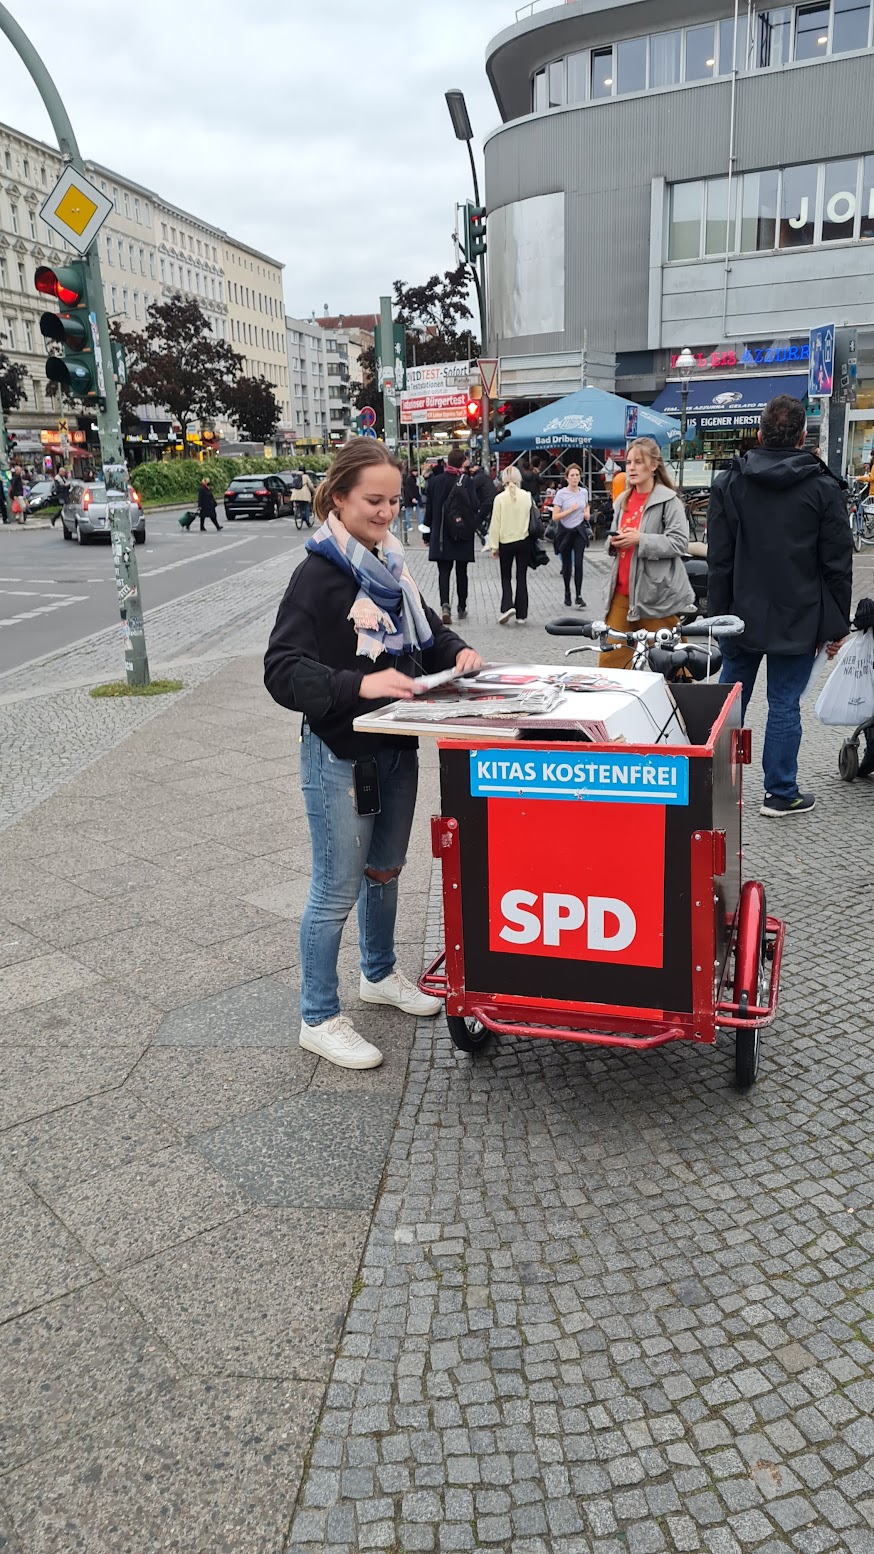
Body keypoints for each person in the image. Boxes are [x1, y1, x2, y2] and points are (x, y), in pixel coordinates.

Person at [264, 439, 483, 1070]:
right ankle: (318, 1016)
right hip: (339, 753)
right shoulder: (318, 573)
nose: (387, 512)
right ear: (339, 498)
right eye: (373, 501)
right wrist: (359, 684)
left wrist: (458, 653)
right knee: (335, 890)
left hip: (396, 747)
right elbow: (282, 672)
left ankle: (379, 974)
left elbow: (429, 633)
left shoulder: (390, 561)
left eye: (394, 499)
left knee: (386, 871)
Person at [708, 394, 853, 817]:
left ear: (759, 434)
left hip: (739, 614)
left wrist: (716, 617)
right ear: (803, 437)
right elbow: (837, 564)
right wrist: (837, 626)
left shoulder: (729, 482)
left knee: (726, 704)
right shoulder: (823, 488)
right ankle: (780, 792)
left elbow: (719, 558)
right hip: (799, 613)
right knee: (785, 704)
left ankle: (708, 785)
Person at [600, 437, 694, 670]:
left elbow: (679, 543)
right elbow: (612, 543)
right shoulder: (622, 500)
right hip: (621, 593)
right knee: (610, 660)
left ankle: (687, 702)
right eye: (629, 462)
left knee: (674, 662)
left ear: (653, 466)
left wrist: (640, 539)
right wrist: (614, 542)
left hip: (655, 593)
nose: (631, 468)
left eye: (638, 462)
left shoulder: (668, 500)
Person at [426, 445, 477, 624]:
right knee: (462, 572)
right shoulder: (468, 482)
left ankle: (445, 605)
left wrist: (426, 533)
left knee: (444, 572)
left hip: (441, 535)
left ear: (447, 462)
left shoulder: (435, 482)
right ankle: (462, 607)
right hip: (461, 533)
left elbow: (429, 510)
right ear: (462, 463)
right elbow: (475, 506)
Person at [487, 465, 532, 626]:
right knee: (522, 577)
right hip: (524, 541)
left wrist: (493, 546)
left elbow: (495, 524)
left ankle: (507, 606)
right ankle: (522, 613)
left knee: (506, 576)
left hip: (505, 542)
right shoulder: (527, 496)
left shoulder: (499, 499)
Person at [551, 464, 591, 609]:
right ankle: (567, 592)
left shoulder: (583, 492)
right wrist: (569, 510)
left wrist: (586, 513)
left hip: (579, 530)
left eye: (577, 475)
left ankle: (579, 596)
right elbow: (555, 517)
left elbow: (586, 505)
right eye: (572, 475)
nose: (575, 478)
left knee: (579, 564)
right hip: (565, 532)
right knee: (567, 565)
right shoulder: (561, 494)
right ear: (567, 478)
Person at [401, 465, 419, 541]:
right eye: (415, 471)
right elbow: (410, 490)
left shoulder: (411, 479)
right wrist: (413, 498)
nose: (416, 472)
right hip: (409, 499)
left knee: (408, 512)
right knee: (408, 512)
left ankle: (408, 525)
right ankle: (408, 526)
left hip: (409, 498)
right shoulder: (410, 479)